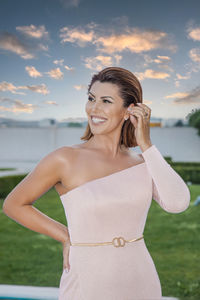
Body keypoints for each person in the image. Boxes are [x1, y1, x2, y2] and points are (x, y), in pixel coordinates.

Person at [3, 67, 190, 300]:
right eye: (91, 98)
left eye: (106, 101)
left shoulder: (143, 161)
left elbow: (178, 203)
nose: (94, 108)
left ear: (129, 111)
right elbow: (14, 204)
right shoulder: (64, 158)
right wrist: (65, 235)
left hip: (141, 278)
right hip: (88, 278)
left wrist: (146, 144)